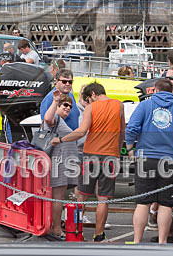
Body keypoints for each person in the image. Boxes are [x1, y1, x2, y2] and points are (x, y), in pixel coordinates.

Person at [52, 83, 124, 242]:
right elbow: (122, 132)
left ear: (93, 94)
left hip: (90, 155)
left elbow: (82, 131)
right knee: (103, 199)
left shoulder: (91, 108)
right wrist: (117, 152)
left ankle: (76, 232)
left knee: (82, 196)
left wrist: (61, 139)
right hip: (110, 157)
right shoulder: (119, 105)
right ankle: (99, 235)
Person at [126, 74, 173, 245]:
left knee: (143, 203)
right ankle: (163, 241)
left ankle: (136, 241)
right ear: (172, 91)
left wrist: (130, 150)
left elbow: (132, 128)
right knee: (166, 204)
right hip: (171, 160)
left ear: (155, 90)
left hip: (146, 158)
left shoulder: (145, 104)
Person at [43, 91, 79, 238]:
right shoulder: (56, 118)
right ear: (57, 105)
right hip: (59, 163)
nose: (68, 108)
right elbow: (47, 118)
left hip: (62, 163)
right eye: (65, 104)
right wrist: (55, 100)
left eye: (70, 106)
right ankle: (56, 228)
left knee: (58, 197)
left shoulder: (61, 120)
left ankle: (53, 226)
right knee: (58, 197)